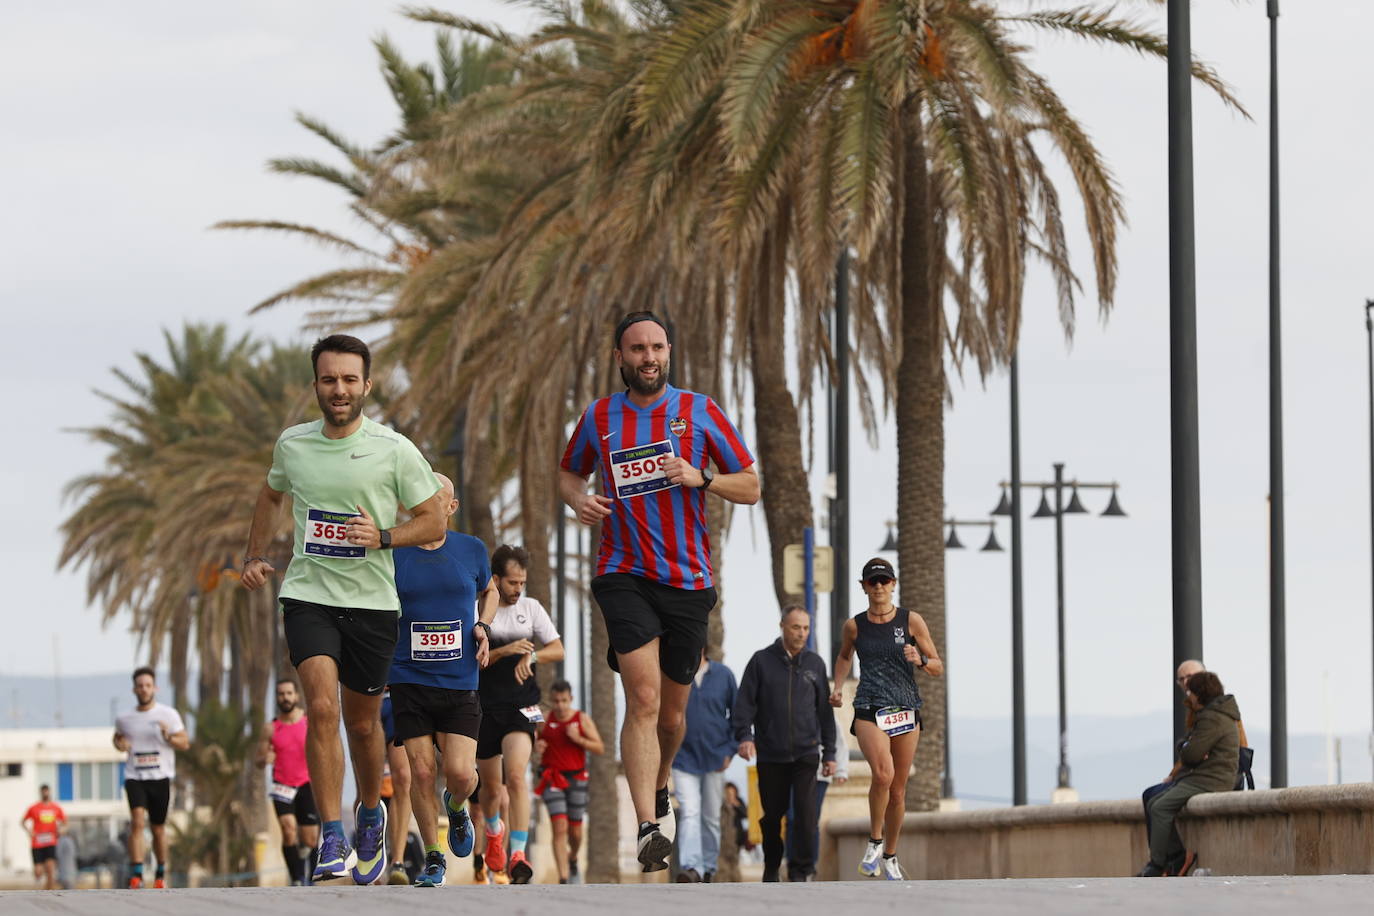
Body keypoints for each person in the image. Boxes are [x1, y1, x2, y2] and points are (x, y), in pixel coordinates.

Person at [240, 333, 444, 884]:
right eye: (329, 379)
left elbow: (434, 519)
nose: (339, 389)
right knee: (322, 709)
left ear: (366, 386)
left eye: (349, 380)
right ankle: (332, 834)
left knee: (360, 722)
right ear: (316, 386)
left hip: (374, 603)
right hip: (308, 594)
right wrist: (255, 554)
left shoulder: (394, 448)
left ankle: (370, 814)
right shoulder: (293, 445)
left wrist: (381, 536)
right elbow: (270, 494)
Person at [559, 310, 759, 871]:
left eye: (656, 347)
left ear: (668, 351)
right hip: (622, 574)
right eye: (636, 348)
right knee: (642, 699)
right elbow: (569, 473)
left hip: (688, 581)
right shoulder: (600, 417)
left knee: (673, 716)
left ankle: (663, 778)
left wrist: (704, 478)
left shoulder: (699, 412)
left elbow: (751, 485)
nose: (648, 357)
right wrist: (578, 500)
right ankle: (650, 824)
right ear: (619, 357)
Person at [389, 472, 495, 887]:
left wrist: (483, 627)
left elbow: (491, 591)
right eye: (419, 495)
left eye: (436, 496)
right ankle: (433, 856)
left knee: (460, 774)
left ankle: (455, 804)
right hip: (408, 677)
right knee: (420, 772)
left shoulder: (471, 550)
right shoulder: (395, 552)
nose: (425, 501)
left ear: (451, 507)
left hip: (459, 679)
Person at [829, 557, 943, 881]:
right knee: (883, 773)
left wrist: (919, 659)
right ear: (864, 587)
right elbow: (844, 656)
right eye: (872, 582)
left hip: (905, 708)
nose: (878, 587)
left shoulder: (911, 621)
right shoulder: (855, 625)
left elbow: (937, 665)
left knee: (898, 790)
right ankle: (874, 841)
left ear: (893, 584)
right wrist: (838, 687)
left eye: (884, 581)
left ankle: (890, 855)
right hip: (869, 706)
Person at [477, 544, 565, 884]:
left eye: (522, 583)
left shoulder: (531, 608)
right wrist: (504, 651)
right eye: (512, 583)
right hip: (485, 709)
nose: (518, 590)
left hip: (522, 708)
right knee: (491, 789)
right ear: (496, 580)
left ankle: (517, 854)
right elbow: (474, 660)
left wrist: (533, 658)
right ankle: (493, 833)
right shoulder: (479, 612)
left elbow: (557, 648)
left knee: (515, 778)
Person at [733, 606, 837, 882]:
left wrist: (830, 753)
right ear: (782, 626)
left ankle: (801, 870)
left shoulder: (815, 664)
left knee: (805, 815)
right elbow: (744, 705)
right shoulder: (760, 662)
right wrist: (745, 736)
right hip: (771, 753)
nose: (801, 633)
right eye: (796, 627)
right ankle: (771, 864)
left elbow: (825, 714)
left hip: (806, 752)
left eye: (805, 628)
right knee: (772, 816)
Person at [1138, 671, 1243, 878]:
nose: (1189, 697)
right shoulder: (1212, 715)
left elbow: (1191, 754)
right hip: (1202, 775)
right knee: (1153, 801)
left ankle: (1159, 864)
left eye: (1191, 692)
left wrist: (1188, 748)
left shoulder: (1213, 718)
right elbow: (1189, 748)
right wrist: (1187, 747)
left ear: (1200, 693)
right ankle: (1174, 857)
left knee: (1159, 806)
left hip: (1210, 778)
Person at [113, 666, 190, 889]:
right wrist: (120, 744)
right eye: (140, 686)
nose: (144, 689)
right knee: (136, 822)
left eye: (148, 685)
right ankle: (136, 874)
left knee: (158, 829)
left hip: (161, 777)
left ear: (155, 687)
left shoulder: (168, 714)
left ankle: (159, 874)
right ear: (134, 689)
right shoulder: (124, 718)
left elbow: (184, 742)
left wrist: (168, 737)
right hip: (135, 776)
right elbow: (117, 739)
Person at [670, 649, 737, 883]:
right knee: (689, 812)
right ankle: (691, 867)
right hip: (682, 758)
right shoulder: (674, 672)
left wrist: (730, 751)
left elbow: (737, 715)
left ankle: (708, 868)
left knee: (709, 817)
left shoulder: (723, 675)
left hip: (715, 758)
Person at [535, 680, 605, 884]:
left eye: (564, 701)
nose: (560, 705)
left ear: (570, 699)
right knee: (560, 826)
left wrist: (578, 739)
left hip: (577, 778)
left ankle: (573, 855)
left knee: (575, 830)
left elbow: (599, 747)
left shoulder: (581, 719)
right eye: (556, 701)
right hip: (552, 777)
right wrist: (537, 745)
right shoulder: (545, 719)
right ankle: (563, 877)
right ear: (551, 700)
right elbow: (533, 741)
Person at [256, 677, 320, 886]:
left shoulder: (308, 722)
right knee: (288, 829)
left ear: (296, 696)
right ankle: (297, 878)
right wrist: (265, 759)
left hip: (307, 785)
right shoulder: (270, 728)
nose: (285, 698)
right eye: (281, 694)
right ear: (277, 698)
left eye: (288, 693)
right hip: (282, 785)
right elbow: (258, 760)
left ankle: (311, 877)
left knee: (310, 839)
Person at [377, 690, 415, 885]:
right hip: (369, 697)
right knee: (367, 784)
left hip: (399, 695)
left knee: (403, 778)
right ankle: (369, 859)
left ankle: (397, 862)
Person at [21, 784, 66, 890]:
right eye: (43, 791)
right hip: (37, 843)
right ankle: (40, 881)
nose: (45, 793)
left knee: (50, 869)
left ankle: (50, 893)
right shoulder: (34, 808)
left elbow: (65, 823)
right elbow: (23, 822)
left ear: (49, 792)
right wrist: (29, 831)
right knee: (38, 872)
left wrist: (61, 830)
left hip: (51, 842)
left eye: (47, 791)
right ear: (40, 793)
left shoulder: (56, 808)